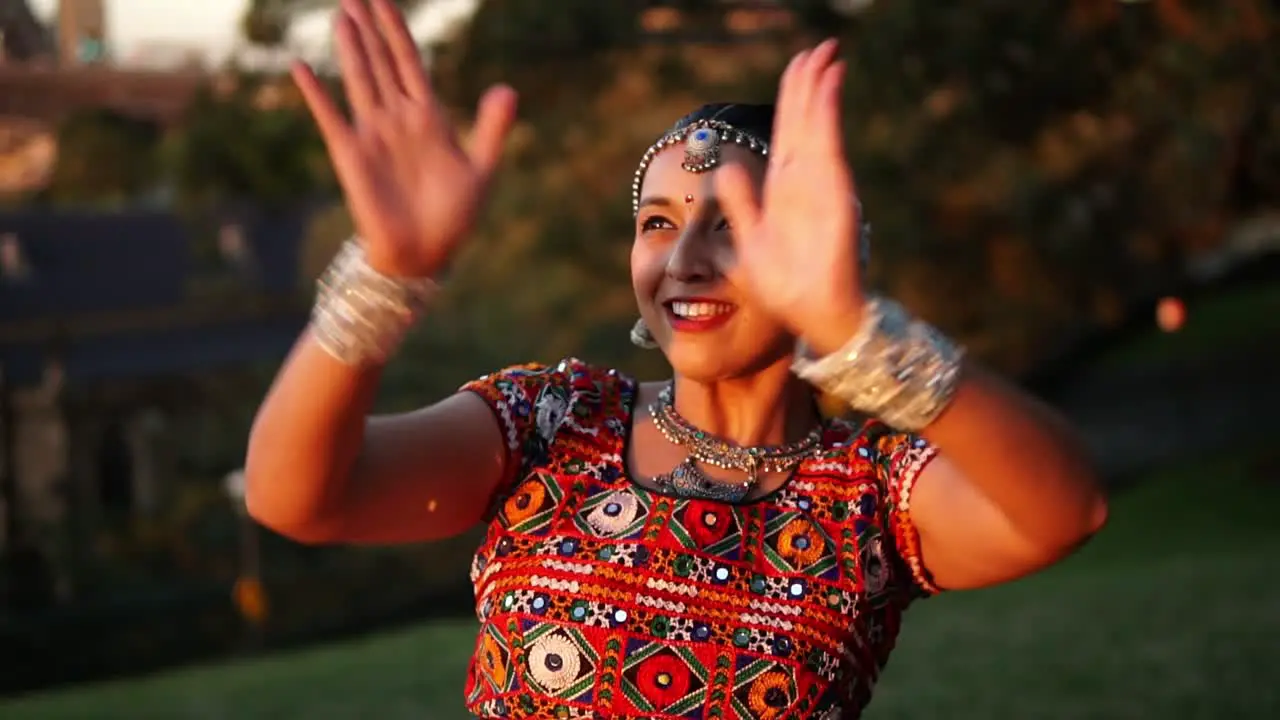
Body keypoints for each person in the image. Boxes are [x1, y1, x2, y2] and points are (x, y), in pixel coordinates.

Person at [245, 1, 1108, 717]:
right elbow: (296, 497)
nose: (683, 259)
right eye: (658, 222)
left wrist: (859, 333)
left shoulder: (870, 498)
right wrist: (388, 273)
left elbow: (1063, 509)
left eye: (731, 225)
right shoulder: (551, 423)